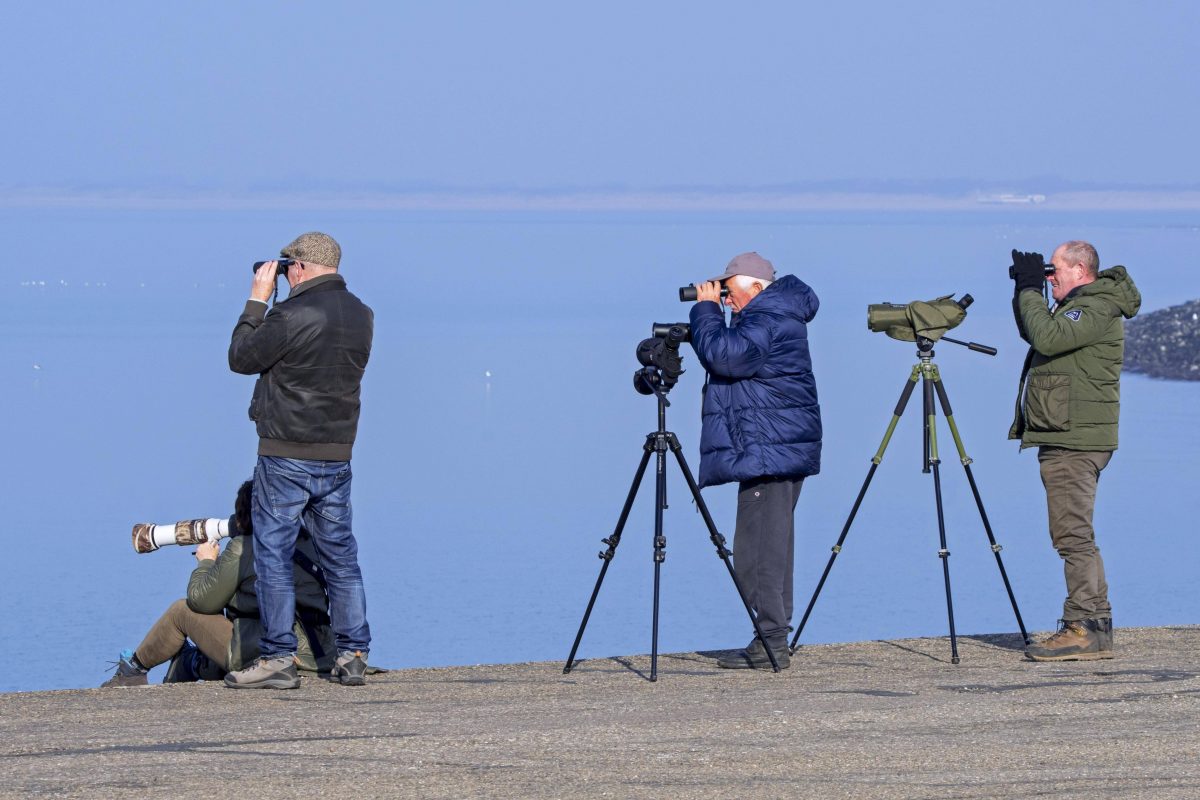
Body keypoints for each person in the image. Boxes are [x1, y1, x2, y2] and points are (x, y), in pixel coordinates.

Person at [226, 231, 374, 689]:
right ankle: (353, 654)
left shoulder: (290, 314)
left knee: (273, 555)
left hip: (286, 452)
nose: (284, 275)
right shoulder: (362, 315)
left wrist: (256, 301)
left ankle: (278, 658)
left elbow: (241, 358)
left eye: (287, 267)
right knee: (340, 555)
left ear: (302, 267)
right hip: (337, 453)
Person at [688, 252, 822, 670]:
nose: (726, 299)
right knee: (772, 548)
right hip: (774, 447)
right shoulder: (775, 313)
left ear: (757, 287)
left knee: (757, 554)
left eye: (729, 291)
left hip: (768, 449)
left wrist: (705, 312)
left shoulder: (767, 316)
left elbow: (725, 356)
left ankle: (772, 644)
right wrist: (715, 311)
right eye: (722, 294)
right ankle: (771, 639)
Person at [1008, 242, 1140, 661]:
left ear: (1081, 270)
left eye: (1055, 271)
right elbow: (1038, 332)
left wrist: (1031, 288)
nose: (1051, 277)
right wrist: (1024, 292)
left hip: (1074, 441)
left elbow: (1046, 334)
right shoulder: (1084, 305)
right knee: (1076, 535)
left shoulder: (1095, 308)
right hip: (1072, 434)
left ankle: (1082, 627)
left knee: (1072, 537)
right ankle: (1095, 627)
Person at [102, 481, 335, 687]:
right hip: (319, 650)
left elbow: (201, 601)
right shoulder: (308, 541)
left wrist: (206, 562)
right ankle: (190, 662)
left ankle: (132, 671)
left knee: (180, 611)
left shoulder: (246, 547)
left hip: (272, 651)